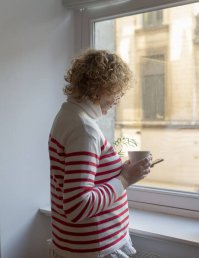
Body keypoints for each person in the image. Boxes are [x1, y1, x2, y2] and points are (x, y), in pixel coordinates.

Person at [48, 49, 151, 258]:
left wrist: (119, 171)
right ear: (101, 87)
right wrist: (125, 179)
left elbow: (83, 177)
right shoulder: (84, 129)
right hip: (92, 249)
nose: (117, 100)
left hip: (77, 245)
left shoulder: (67, 115)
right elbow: (77, 206)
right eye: (116, 92)